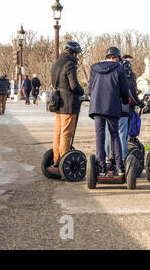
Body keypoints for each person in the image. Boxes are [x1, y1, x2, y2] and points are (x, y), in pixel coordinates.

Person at [89, 47, 130, 176]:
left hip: (97, 107)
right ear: (117, 58)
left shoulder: (94, 68)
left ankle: (101, 167)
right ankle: (119, 167)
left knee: (100, 136)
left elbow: (90, 90)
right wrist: (124, 100)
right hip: (112, 106)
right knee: (115, 135)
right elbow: (124, 90)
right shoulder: (119, 69)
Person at [50, 42, 85, 166]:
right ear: (73, 53)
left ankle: (56, 159)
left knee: (58, 132)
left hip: (58, 101)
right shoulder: (70, 64)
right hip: (68, 104)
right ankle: (64, 162)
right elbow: (74, 85)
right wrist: (83, 92)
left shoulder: (56, 63)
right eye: (77, 53)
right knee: (66, 133)